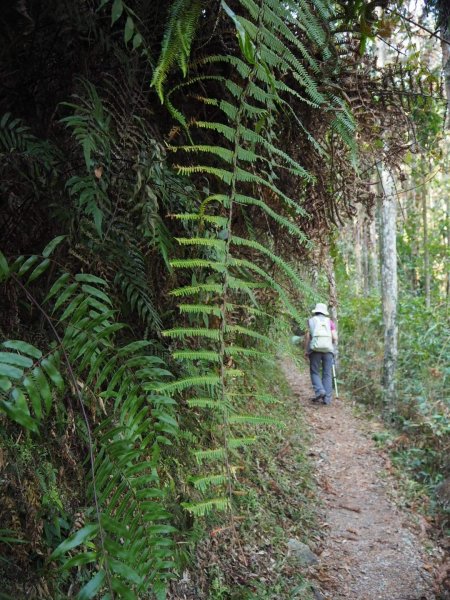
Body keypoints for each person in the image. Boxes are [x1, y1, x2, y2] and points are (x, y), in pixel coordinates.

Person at [304, 303, 337, 405]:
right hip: (328, 350)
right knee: (327, 373)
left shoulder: (310, 321)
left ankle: (320, 391)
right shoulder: (330, 322)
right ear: (325, 312)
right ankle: (327, 399)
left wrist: (306, 349)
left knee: (314, 371)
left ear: (316, 311)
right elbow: (335, 337)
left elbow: (307, 337)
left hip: (315, 350)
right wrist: (332, 347)